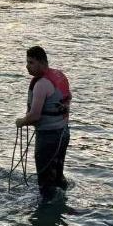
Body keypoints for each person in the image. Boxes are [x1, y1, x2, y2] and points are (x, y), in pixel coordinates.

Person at [15, 46, 71, 202]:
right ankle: (63, 203)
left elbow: (34, 116)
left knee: (45, 182)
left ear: (41, 62)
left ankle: (45, 212)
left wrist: (21, 122)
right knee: (58, 176)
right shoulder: (59, 76)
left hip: (48, 138)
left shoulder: (41, 84)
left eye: (31, 62)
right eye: (27, 62)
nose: (27, 66)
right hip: (63, 133)